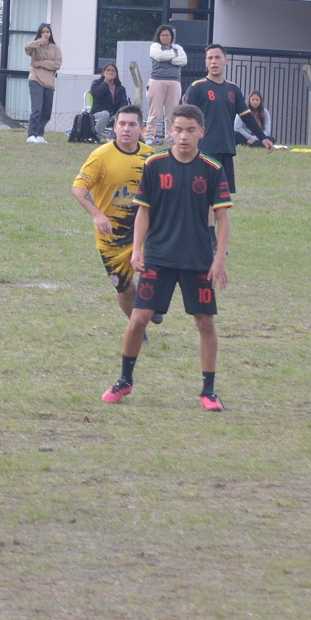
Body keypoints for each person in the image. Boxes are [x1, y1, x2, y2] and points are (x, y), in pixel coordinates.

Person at [102, 104, 233, 411]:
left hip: (197, 259)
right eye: (177, 130)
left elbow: (223, 219)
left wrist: (219, 259)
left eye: (190, 130)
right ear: (170, 131)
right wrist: (137, 249)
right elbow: (143, 211)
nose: (183, 136)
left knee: (205, 322)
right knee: (138, 319)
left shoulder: (212, 169)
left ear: (201, 132)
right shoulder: (155, 164)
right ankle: (125, 380)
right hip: (159, 257)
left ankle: (208, 391)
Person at [72, 104, 156, 323]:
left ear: (141, 128)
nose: (126, 129)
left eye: (132, 124)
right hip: (112, 236)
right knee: (125, 288)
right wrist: (97, 215)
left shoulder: (151, 157)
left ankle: (152, 305)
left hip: (145, 229)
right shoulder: (101, 156)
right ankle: (138, 324)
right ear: (115, 127)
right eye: (122, 124)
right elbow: (78, 188)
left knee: (155, 271)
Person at [182, 44, 273, 200]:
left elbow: (246, 116)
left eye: (217, 57)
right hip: (205, 149)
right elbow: (184, 118)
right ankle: (207, 226)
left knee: (222, 198)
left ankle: (219, 225)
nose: (214, 61)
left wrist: (262, 137)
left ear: (226, 61)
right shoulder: (197, 87)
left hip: (226, 149)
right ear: (206, 62)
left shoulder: (233, 89)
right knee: (204, 196)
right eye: (210, 58)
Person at [146, 25, 187, 144]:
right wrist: (174, 57)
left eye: (168, 35)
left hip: (174, 82)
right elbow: (159, 56)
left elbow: (183, 61)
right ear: (159, 36)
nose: (165, 37)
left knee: (172, 113)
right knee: (154, 112)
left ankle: (171, 137)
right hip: (157, 81)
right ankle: (149, 137)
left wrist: (167, 58)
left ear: (171, 37)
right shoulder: (154, 47)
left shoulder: (178, 48)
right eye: (163, 35)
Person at [24, 23, 62, 144]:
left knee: (46, 112)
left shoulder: (55, 48)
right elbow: (26, 48)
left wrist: (41, 63)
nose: (46, 34)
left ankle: (40, 135)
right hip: (36, 80)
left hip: (49, 83)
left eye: (48, 32)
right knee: (37, 110)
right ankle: (31, 135)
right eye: (43, 32)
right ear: (40, 33)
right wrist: (39, 42)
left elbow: (57, 64)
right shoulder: (36, 46)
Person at [89, 63, 131, 138]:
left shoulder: (120, 88)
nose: (110, 72)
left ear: (116, 74)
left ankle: (114, 138)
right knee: (105, 114)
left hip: (113, 114)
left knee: (121, 116)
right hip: (98, 113)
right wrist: (106, 83)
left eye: (113, 71)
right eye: (108, 70)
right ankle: (95, 136)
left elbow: (124, 103)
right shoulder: (96, 83)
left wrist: (119, 112)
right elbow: (96, 95)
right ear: (103, 73)